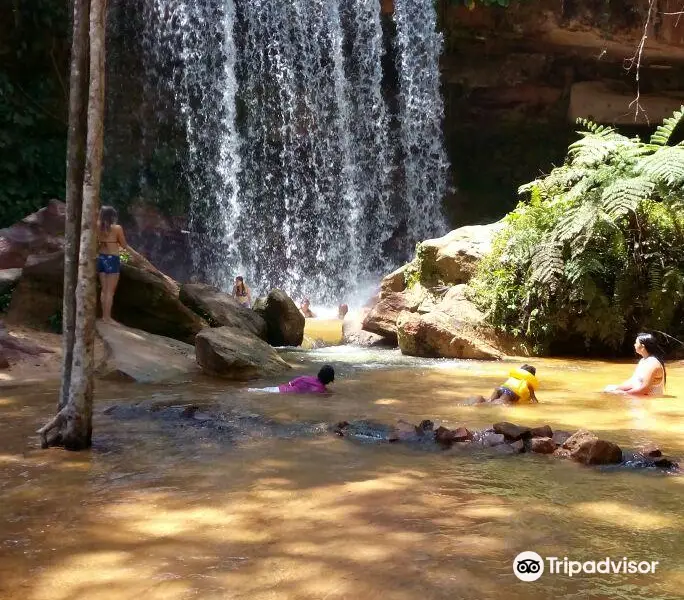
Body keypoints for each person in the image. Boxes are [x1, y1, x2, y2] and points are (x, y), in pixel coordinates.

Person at [97, 206, 130, 323]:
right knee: (110, 291)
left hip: (100, 258)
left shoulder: (97, 227)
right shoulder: (117, 228)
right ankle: (107, 318)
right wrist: (134, 255)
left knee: (104, 290)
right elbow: (124, 245)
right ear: (112, 216)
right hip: (112, 259)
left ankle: (103, 316)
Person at [249, 365, 335, 394]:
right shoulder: (321, 390)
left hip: (279, 389)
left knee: (257, 391)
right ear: (329, 379)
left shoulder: (305, 377)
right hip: (283, 394)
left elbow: (290, 384)